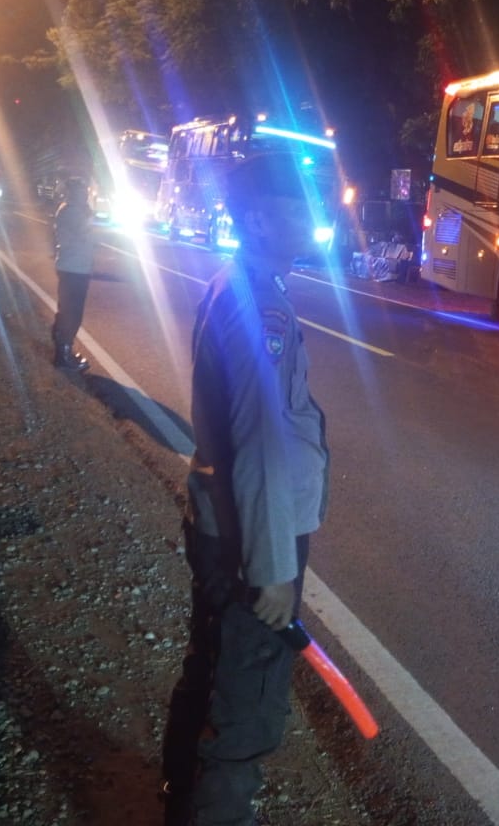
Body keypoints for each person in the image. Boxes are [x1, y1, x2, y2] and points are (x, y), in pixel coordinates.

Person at [162, 152, 330, 826]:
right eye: (300, 208)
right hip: (250, 534)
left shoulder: (243, 286)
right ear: (260, 216)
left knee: (210, 672)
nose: (314, 224)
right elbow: (261, 441)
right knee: (246, 708)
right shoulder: (258, 304)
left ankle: (180, 802)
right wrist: (273, 572)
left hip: (226, 524)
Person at [51, 176, 95, 371]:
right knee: (71, 313)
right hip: (72, 268)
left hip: (78, 267)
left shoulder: (77, 211)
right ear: (74, 193)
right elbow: (72, 238)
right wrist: (86, 225)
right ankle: (63, 355)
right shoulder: (69, 211)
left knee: (71, 312)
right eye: (82, 192)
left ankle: (65, 350)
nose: (86, 195)